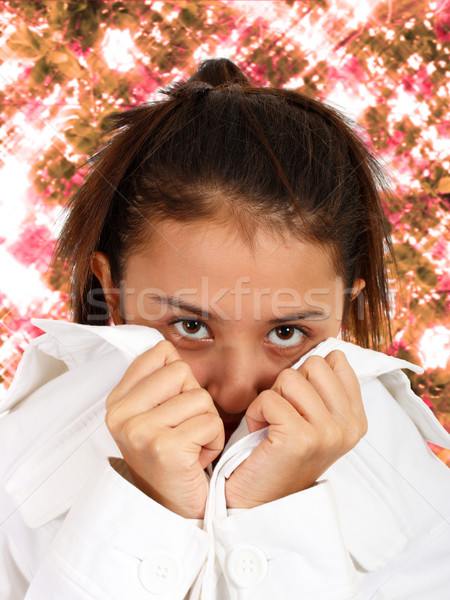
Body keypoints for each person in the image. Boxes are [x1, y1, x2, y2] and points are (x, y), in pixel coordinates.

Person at [0, 58, 449, 599]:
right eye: (189, 324)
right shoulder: (18, 471)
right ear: (111, 292)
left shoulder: (426, 507)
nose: (237, 389)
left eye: (286, 333)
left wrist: (278, 510)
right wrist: (147, 503)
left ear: (344, 310)